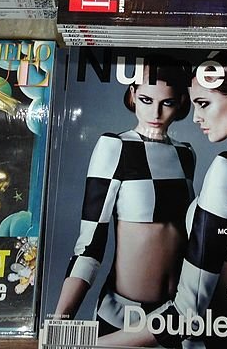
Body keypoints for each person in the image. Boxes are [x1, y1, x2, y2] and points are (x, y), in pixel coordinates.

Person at [100, 51, 227, 349]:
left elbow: (188, 313)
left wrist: (91, 344)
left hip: (218, 337)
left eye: (203, 103)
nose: (195, 117)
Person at [52, 61, 196, 337]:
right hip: (122, 315)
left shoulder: (186, 153)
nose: (155, 113)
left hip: (175, 315)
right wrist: (60, 323)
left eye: (166, 103)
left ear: (180, 102)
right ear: (132, 95)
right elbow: (90, 244)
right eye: (145, 99)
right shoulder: (115, 146)